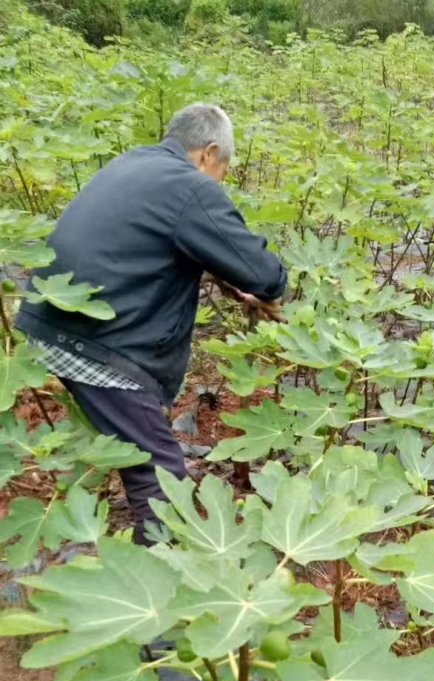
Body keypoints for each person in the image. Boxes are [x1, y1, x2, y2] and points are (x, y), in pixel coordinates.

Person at [16, 103, 287, 545]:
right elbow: (264, 274)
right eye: (224, 169)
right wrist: (267, 292)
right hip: (97, 344)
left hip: (49, 319)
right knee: (160, 474)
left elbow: (146, 240)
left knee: (132, 442)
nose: (222, 179)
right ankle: (154, 585)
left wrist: (219, 273)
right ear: (208, 153)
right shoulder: (190, 187)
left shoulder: (131, 163)